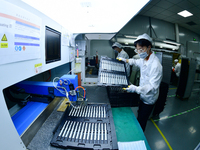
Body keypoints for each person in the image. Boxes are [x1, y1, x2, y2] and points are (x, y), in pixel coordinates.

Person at [117, 33, 163, 131]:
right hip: (142, 94)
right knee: (139, 113)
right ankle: (138, 127)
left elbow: (152, 87)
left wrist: (136, 88)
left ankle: (140, 136)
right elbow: (135, 61)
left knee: (142, 118)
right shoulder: (143, 59)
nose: (139, 52)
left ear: (149, 47)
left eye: (141, 49)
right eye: (137, 50)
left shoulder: (156, 65)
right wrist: (125, 60)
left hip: (149, 98)